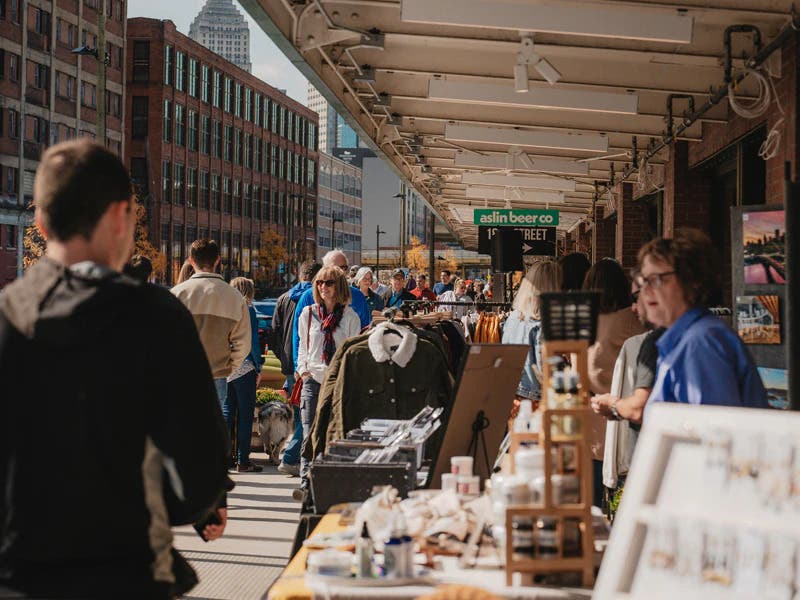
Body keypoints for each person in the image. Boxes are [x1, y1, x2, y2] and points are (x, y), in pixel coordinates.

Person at [0, 140, 230, 598]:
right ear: (122, 215)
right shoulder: (155, 317)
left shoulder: (8, 315)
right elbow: (198, 465)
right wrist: (203, 507)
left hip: (17, 573)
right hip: (125, 571)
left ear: (41, 222)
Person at [636, 229, 768, 411]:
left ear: (691, 281)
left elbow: (713, 432)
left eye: (656, 279)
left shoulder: (700, 342)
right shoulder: (683, 339)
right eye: (644, 281)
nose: (646, 290)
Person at [583, 258, 645, 508]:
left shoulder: (584, 319)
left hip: (590, 412)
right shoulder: (631, 319)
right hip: (625, 412)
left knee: (593, 495)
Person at [296, 266, 362, 492]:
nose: (323, 287)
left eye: (329, 283)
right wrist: (303, 371)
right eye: (319, 283)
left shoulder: (350, 317)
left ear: (339, 286)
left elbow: (353, 353)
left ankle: (327, 478)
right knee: (308, 432)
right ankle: (305, 481)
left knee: (333, 432)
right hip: (313, 380)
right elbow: (302, 347)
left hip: (338, 383)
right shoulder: (308, 314)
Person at [172, 239, 251, 408]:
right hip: (216, 375)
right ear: (217, 260)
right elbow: (243, 344)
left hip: (182, 373)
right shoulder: (235, 297)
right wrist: (228, 367)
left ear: (191, 261)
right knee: (210, 429)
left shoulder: (177, 294)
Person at [272, 260, 322, 477]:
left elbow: (274, 332)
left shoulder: (284, 298)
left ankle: (294, 455)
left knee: (300, 413)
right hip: (306, 363)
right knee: (307, 415)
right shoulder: (312, 298)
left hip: (289, 363)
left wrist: (284, 358)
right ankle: (291, 456)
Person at [292, 249, 371, 376]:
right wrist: (300, 368)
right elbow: (299, 335)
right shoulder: (308, 297)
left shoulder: (357, 297)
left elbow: (363, 335)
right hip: (313, 374)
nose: (341, 272)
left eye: (344, 267)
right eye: (337, 268)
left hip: (343, 373)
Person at [502, 260, 561, 403]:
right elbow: (544, 370)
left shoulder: (514, 317)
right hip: (536, 399)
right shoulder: (542, 322)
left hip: (513, 393)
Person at [225, 277, 264, 472]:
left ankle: (225, 458)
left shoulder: (224, 308)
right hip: (245, 366)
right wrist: (259, 366)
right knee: (245, 416)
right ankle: (243, 460)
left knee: (228, 413)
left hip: (225, 368)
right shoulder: (248, 310)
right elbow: (253, 342)